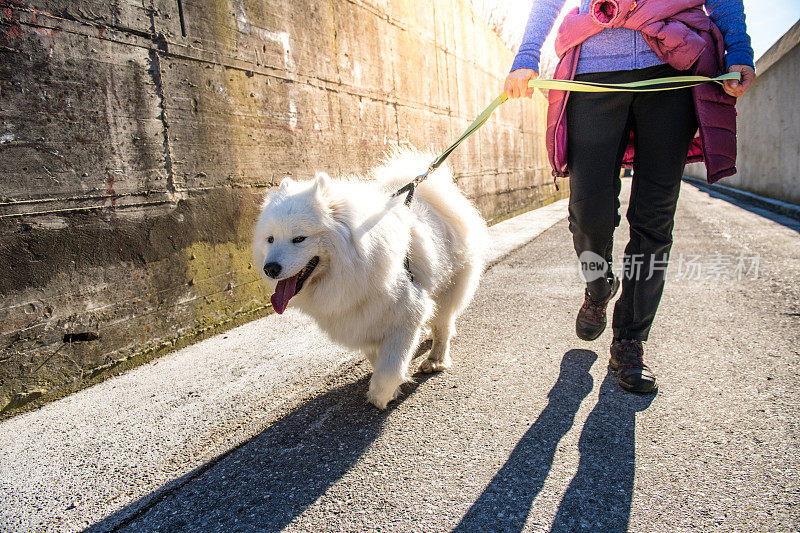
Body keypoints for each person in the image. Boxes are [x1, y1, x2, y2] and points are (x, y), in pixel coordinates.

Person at [504, 0, 756, 393]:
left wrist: (739, 50)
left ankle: (629, 341)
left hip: (673, 70)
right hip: (593, 73)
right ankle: (599, 285)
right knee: (588, 212)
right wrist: (526, 55)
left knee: (654, 217)